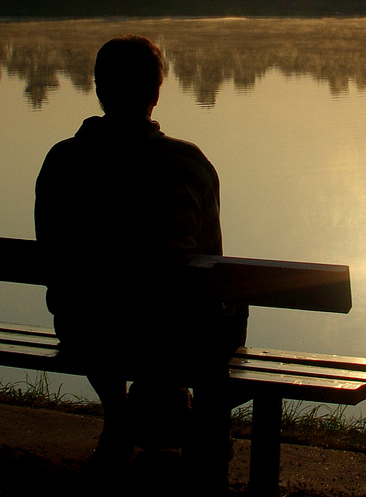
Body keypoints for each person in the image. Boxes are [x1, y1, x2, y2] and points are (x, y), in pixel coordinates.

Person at [34, 35, 244, 481]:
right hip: (173, 334)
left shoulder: (62, 163)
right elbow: (212, 264)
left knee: (88, 299)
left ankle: (118, 416)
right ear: (156, 92)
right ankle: (205, 429)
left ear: (98, 89)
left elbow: (50, 254)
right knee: (232, 298)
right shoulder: (190, 165)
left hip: (87, 330)